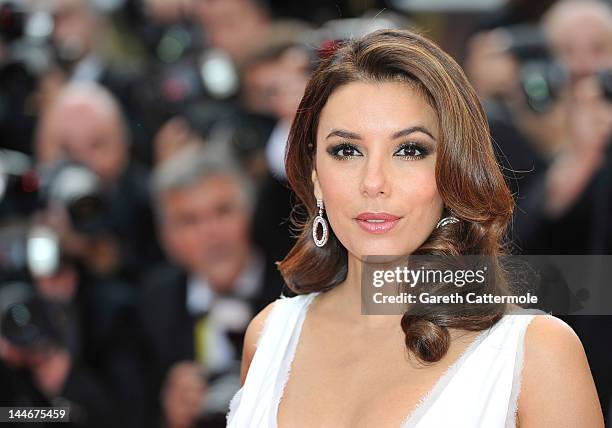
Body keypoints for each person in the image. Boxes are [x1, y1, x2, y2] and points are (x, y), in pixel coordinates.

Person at [226, 29, 603, 427]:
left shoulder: (536, 353)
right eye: (346, 151)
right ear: (316, 174)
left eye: (409, 150)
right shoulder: (269, 336)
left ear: (452, 171)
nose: (373, 182)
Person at [139, 144, 283, 428]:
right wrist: (171, 417)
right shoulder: (154, 303)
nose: (211, 233)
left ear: (249, 213)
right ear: (167, 238)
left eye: (223, 211)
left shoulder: (297, 287)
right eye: (189, 221)